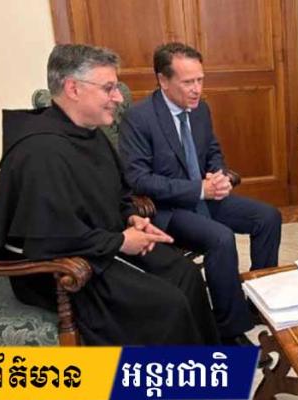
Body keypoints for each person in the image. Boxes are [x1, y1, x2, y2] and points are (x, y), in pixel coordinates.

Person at [0, 44, 235, 400]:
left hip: (96, 244)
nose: (118, 98)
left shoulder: (89, 134)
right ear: (73, 88)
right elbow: (47, 237)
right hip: (58, 268)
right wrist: (120, 242)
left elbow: (115, 195)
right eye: (109, 88)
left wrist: (130, 218)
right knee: (165, 304)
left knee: (185, 276)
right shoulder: (40, 151)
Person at [119, 42, 282, 346]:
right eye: (188, 82)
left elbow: (212, 151)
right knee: (220, 237)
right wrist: (198, 189)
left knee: (268, 217)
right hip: (168, 209)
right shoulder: (139, 118)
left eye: (200, 80)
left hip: (205, 197)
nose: (197, 89)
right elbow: (139, 179)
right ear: (163, 80)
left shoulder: (200, 109)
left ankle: (259, 301)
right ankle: (229, 330)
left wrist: (219, 176)